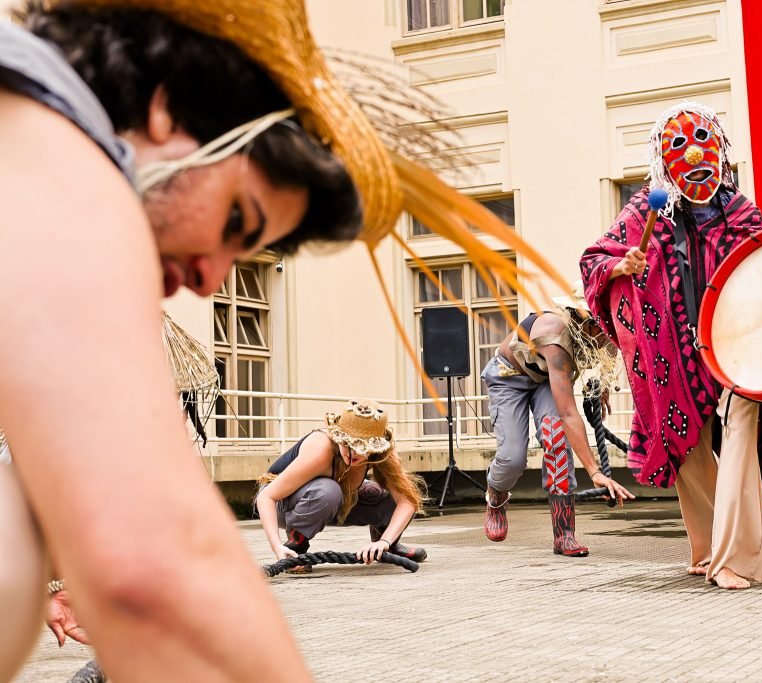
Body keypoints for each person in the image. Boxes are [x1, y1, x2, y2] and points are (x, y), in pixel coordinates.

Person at [0, 1, 558, 679]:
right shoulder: (69, 172)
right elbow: (158, 558)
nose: (208, 279)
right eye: (237, 216)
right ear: (168, 108)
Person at [580, 101, 762, 589]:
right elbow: (594, 260)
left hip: (738, 348)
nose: (695, 152)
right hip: (673, 355)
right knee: (691, 452)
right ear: (662, 158)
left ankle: (739, 560)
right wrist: (621, 269)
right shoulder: (643, 213)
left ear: (721, 147)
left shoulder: (741, 212)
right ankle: (705, 549)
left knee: (741, 442)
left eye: (703, 139)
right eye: (678, 144)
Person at [482, 282, 635, 556]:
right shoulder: (554, 335)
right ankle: (496, 494)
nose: (606, 330)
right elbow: (568, 413)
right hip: (509, 377)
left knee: (556, 441)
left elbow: (604, 358)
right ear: (582, 318)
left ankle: (564, 535)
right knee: (512, 457)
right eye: (600, 322)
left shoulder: (598, 334)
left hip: (543, 380)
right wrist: (595, 472)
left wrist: (600, 389)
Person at [256, 400, 427, 570]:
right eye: (346, 444)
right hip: (284, 503)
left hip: (338, 499)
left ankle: (387, 548)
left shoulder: (384, 451)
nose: (352, 453)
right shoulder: (321, 448)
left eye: (361, 447)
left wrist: (385, 541)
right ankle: (295, 547)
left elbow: (407, 501)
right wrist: (277, 547)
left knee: (393, 493)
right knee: (328, 490)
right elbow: (267, 497)